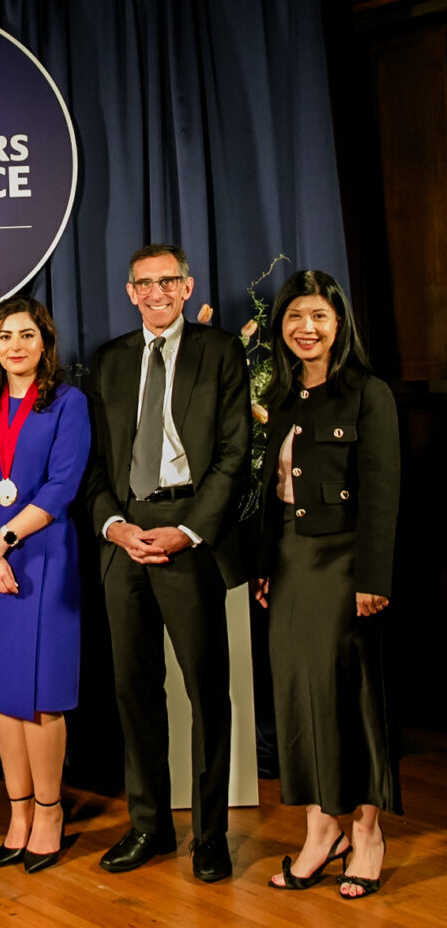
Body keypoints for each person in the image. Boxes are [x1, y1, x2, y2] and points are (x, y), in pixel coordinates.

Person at [85, 243, 250, 882]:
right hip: (125, 538)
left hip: (190, 535)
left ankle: (210, 835)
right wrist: (115, 526)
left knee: (206, 691)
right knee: (134, 692)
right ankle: (148, 826)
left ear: (186, 287)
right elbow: (95, 464)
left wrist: (187, 530)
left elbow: (234, 453)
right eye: (144, 284)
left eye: (168, 281)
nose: (156, 293)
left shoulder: (220, 352)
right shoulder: (110, 361)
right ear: (130, 293)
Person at [253, 270, 400, 899]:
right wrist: (263, 563)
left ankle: (365, 831)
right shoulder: (284, 397)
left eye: (317, 317)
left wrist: (373, 576)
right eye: (293, 318)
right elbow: (271, 494)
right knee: (297, 698)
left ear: (339, 325)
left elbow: (383, 495)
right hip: (288, 562)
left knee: (348, 696)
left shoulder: (369, 393)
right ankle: (320, 829)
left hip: (344, 565)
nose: (305, 329)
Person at [0, 296, 90, 874]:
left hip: (44, 558)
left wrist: (1, 542)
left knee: (43, 699)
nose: (16, 346)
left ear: (45, 342)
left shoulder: (67, 402)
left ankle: (51, 811)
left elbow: (62, 487)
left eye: (27, 335)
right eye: (5, 336)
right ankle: (18, 812)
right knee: (4, 701)